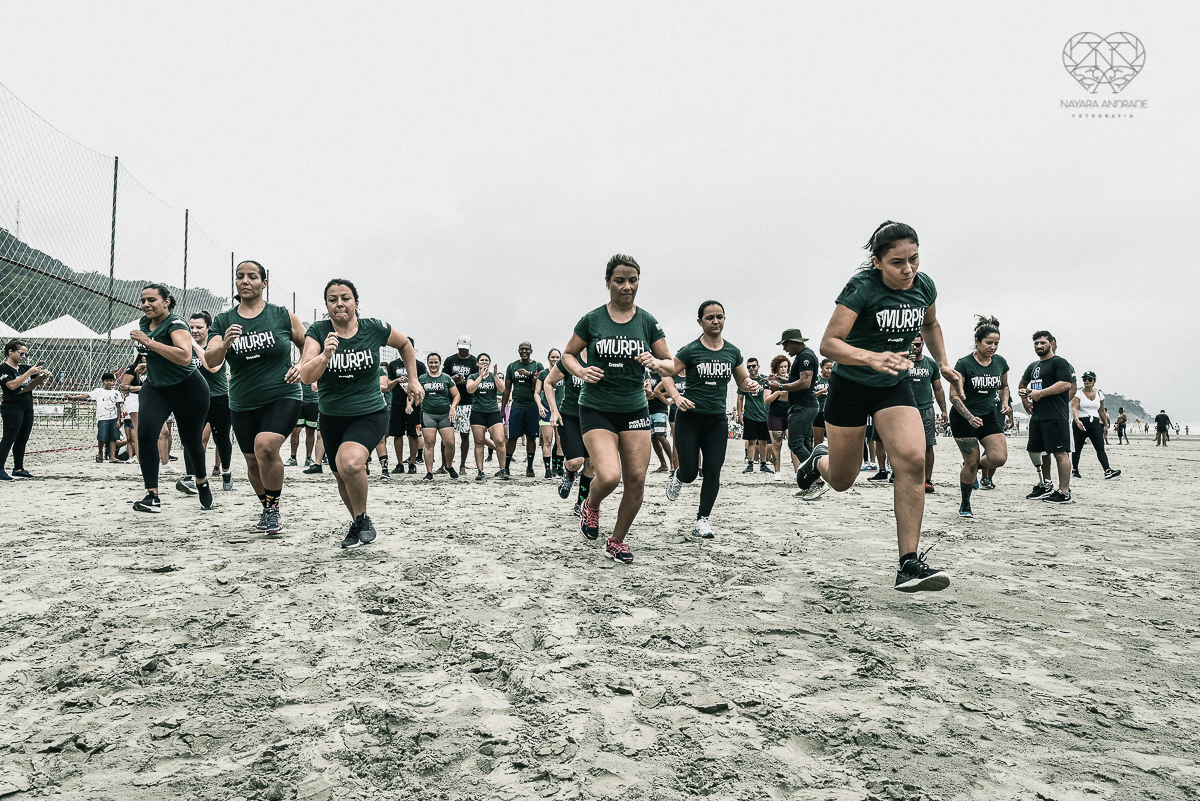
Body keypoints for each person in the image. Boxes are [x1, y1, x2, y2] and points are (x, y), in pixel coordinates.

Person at [793, 221, 962, 593]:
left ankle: (908, 563)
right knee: (841, 480)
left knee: (912, 461)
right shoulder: (861, 288)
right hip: (851, 387)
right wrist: (870, 358)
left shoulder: (923, 286)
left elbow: (931, 323)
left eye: (914, 259)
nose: (908, 270)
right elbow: (829, 344)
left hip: (893, 386)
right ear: (877, 262)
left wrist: (945, 363)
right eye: (898, 262)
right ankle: (817, 461)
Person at [561, 254, 674, 564]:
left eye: (632, 280)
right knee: (609, 477)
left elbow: (671, 364)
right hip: (597, 408)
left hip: (635, 409)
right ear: (608, 282)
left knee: (636, 479)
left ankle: (617, 541)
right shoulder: (592, 319)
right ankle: (591, 505)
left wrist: (656, 362)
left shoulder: (647, 322)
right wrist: (582, 371)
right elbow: (568, 355)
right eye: (620, 281)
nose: (627, 287)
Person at [299, 278, 422, 547]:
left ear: (356, 302)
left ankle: (362, 518)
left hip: (370, 412)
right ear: (326, 306)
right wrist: (325, 356)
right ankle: (359, 521)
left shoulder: (373, 328)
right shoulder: (318, 333)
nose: (340, 303)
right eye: (333, 299)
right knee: (341, 474)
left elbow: (405, 345)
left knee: (351, 462)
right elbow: (306, 376)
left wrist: (413, 380)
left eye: (346, 297)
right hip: (331, 416)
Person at [208, 261, 306, 534]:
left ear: (264, 283)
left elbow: (308, 344)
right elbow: (210, 359)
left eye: (252, 277)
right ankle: (267, 508)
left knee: (266, 446)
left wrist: (302, 365)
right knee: (252, 460)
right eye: (239, 277)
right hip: (242, 401)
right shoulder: (223, 320)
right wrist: (225, 343)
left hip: (283, 394)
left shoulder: (282, 315)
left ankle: (273, 511)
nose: (245, 281)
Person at [664, 300, 760, 538]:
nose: (716, 321)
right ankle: (678, 477)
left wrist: (752, 385)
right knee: (689, 472)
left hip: (716, 421)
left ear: (724, 319)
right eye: (710, 317)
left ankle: (702, 520)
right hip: (690, 418)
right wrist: (676, 397)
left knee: (713, 470)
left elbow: (742, 382)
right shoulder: (690, 350)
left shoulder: (732, 352)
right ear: (700, 322)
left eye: (720, 316)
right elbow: (666, 373)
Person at [129, 284, 214, 513]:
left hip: (189, 389)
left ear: (166, 301)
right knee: (145, 436)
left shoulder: (176, 324)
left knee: (190, 441)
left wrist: (148, 342)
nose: (146, 304)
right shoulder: (144, 323)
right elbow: (160, 354)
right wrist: (147, 363)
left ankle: (202, 482)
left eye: (151, 300)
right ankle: (152, 496)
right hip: (156, 387)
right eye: (143, 300)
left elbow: (185, 357)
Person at [949, 316, 1010, 518]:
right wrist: (968, 417)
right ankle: (965, 504)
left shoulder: (1000, 362)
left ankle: (972, 467)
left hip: (987, 416)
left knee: (998, 458)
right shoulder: (964, 363)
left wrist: (1004, 402)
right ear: (977, 341)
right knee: (971, 461)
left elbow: (1004, 386)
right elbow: (954, 395)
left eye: (996, 344)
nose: (993, 347)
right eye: (989, 343)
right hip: (963, 417)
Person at [1017, 331, 1077, 503]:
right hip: (1038, 415)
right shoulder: (1035, 366)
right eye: (1036, 343)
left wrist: (1041, 393)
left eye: (1042, 343)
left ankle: (1064, 492)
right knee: (1038, 451)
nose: (1039, 346)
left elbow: (1066, 384)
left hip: (1055, 415)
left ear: (1051, 343)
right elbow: (1026, 385)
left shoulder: (1059, 362)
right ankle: (1046, 484)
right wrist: (1025, 396)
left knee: (1060, 453)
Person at [189, 311, 234, 492]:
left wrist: (194, 345)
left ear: (208, 328)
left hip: (218, 399)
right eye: (191, 327)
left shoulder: (215, 345)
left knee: (221, 438)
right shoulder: (185, 345)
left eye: (199, 327)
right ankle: (193, 477)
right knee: (192, 439)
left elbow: (212, 367)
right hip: (194, 400)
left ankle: (226, 472)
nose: (194, 331)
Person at [769, 329, 821, 481]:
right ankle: (813, 481)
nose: (785, 348)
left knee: (795, 443)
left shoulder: (805, 356)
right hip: (805, 406)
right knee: (805, 445)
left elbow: (805, 383)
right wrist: (779, 380)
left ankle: (817, 481)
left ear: (793, 342)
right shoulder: (804, 355)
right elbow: (797, 380)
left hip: (803, 406)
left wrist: (779, 387)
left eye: (785, 344)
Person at [545, 357, 594, 514]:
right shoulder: (570, 359)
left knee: (591, 464)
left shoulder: (601, 359)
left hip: (595, 417)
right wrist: (554, 410)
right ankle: (569, 473)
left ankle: (581, 503)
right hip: (570, 416)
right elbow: (548, 382)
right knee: (575, 462)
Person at [0, 341, 50, 481]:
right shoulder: (4, 369)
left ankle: (18, 468)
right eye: (21, 353)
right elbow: (11, 385)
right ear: (10, 352)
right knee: (9, 438)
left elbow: (37, 382)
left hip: (27, 406)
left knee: (22, 439)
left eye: (25, 354)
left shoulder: (24, 368)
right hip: (12, 406)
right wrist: (29, 373)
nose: (23, 356)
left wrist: (43, 376)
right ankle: (0, 468)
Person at [906, 336, 947, 492]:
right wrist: (906, 365)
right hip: (905, 409)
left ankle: (927, 480)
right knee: (906, 446)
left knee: (928, 445)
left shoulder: (930, 363)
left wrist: (943, 410)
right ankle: (906, 477)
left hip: (926, 408)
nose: (914, 348)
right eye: (911, 344)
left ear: (922, 344)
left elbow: (938, 388)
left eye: (917, 344)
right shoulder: (901, 361)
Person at [382, 336, 426, 475]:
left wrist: (412, 397)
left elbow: (422, 386)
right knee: (397, 434)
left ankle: (412, 463)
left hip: (415, 405)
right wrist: (397, 380)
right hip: (397, 403)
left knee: (414, 434)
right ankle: (400, 463)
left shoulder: (419, 365)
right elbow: (388, 385)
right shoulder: (393, 364)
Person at [466, 353, 509, 481]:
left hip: (493, 412)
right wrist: (480, 376)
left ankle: (503, 469)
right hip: (478, 412)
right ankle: (480, 471)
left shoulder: (493, 376)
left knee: (500, 441)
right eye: (481, 360)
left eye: (486, 360)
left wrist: (495, 375)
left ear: (489, 363)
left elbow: (502, 389)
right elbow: (470, 389)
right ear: (477, 363)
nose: (484, 362)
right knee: (479, 442)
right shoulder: (473, 376)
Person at [64, 372, 125, 463]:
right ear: (102, 382)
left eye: (111, 381)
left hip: (113, 418)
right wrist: (73, 397)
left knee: (113, 438)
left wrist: (119, 420)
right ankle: (100, 453)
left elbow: (118, 407)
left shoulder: (116, 393)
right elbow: (86, 396)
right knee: (102, 437)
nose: (109, 382)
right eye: (107, 380)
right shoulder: (98, 391)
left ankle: (112, 457)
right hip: (102, 418)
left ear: (114, 382)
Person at [503, 343, 543, 477]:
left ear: (531, 351)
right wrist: (503, 409)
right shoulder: (512, 366)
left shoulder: (537, 366)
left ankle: (530, 467)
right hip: (517, 406)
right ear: (518, 351)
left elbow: (541, 386)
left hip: (532, 406)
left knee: (531, 437)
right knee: (512, 437)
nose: (524, 351)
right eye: (522, 349)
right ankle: (506, 467)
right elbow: (507, 389)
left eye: (527, 349)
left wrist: (529, 375)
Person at [418, 353, 460, 480]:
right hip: (428, 414)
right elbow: (414, 393)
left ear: (440, 363)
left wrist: (452, 408)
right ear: (427, 363)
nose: (433, 365)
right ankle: (429, 472)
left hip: (445, 415)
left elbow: (457, 395)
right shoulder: (422, 378)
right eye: (431, 362)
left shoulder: (446, 378)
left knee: (450, 443)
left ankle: (448, 465)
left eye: (436, 362)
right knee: (429, 443)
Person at [1072, 371, 1121, 479]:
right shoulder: (1078, 393)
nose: (1087, 381)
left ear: (1094, 381)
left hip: (1094, 423)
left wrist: (1106, 425)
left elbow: (1102, 411)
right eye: (1085, 379)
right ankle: (1075, 470)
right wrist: (1076, 419)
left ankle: (1107, 470)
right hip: (1081, 422)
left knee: (1100, 447)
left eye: (1089, 379)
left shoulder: (1099, 394)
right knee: (1077, 447)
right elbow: (1074, 407)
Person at [443, 336, 478, 474]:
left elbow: (474, 383)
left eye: (466, 349)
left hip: (467, 402)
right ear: (457, 346)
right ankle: (444, 465)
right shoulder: (450, 360)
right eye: (461, 348)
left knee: (465, 435)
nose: (463, 351)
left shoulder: (474, 361)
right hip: (449, 401)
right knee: (446, 436)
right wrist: (453, 379)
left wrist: (460, 381)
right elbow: (444, 379)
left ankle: (462, 465)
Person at [737, 357, 771, 473]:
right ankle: (750, 464)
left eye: (753, 366)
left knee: (763, 441)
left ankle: (763, 464)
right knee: (751, 441)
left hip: (763, 415)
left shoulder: (764, 380)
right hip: (750, 415)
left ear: (758, 366)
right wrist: (740, 415)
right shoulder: (745, 382)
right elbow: (740, 398)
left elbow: (770, 396)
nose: (751, 368)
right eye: (749, 367)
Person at [535, 349, 565, 478]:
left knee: (561, 442)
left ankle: (559, 469)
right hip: (546, 410)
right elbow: (536, 393)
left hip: (561, 410)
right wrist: (540, 405)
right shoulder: (543, 374)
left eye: (557, 357)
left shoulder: (565, 372)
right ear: (548, 358)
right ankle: (547, 470)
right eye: (553, 357)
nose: (555, 359)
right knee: (547, 441)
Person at [764, 354, 790, 481]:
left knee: (794, 443)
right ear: (776, 368)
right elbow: (766, 400)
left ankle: (798, 471)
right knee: (776, 445)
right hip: (775, 415)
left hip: (790, 415)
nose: (784, 369)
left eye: (785, 366)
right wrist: (778, 392)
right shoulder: (770, 380)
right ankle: (777, 471)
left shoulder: (792, 380)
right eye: (781, 367)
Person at [118, 353, 145, 463]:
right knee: (139, 431)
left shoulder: (154, 367)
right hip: (135, 399)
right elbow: (123, 386)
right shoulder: (134, 368)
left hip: (149, 399)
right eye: (145, 356)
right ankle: (140, 462)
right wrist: (142, 388)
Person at [646, 370, 673, 472]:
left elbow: (670, 392)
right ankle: (663, 464)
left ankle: (673, 463)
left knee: (660, 436)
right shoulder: (646, 375)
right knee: (653, 438)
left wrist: (655, 395)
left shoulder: (663, 375)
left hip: (660, 409)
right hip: (648, 409)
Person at [289, 381, 319, 469]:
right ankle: (293, 458)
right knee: (295, 430)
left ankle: (308, 458)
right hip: (299, 401)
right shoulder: (297, 367)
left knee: (310, 431)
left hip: (314, 402)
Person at [811, 359, 833, 448]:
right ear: (821, 366)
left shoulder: (834, 380)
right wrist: (822, 391)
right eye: (827, 368)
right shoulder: (816, 379)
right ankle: (816, 458)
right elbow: (810, 396)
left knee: (833, 440)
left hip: (831, 413)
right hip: (818, 412)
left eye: (831, 368)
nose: (829, 370)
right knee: (818, 441)